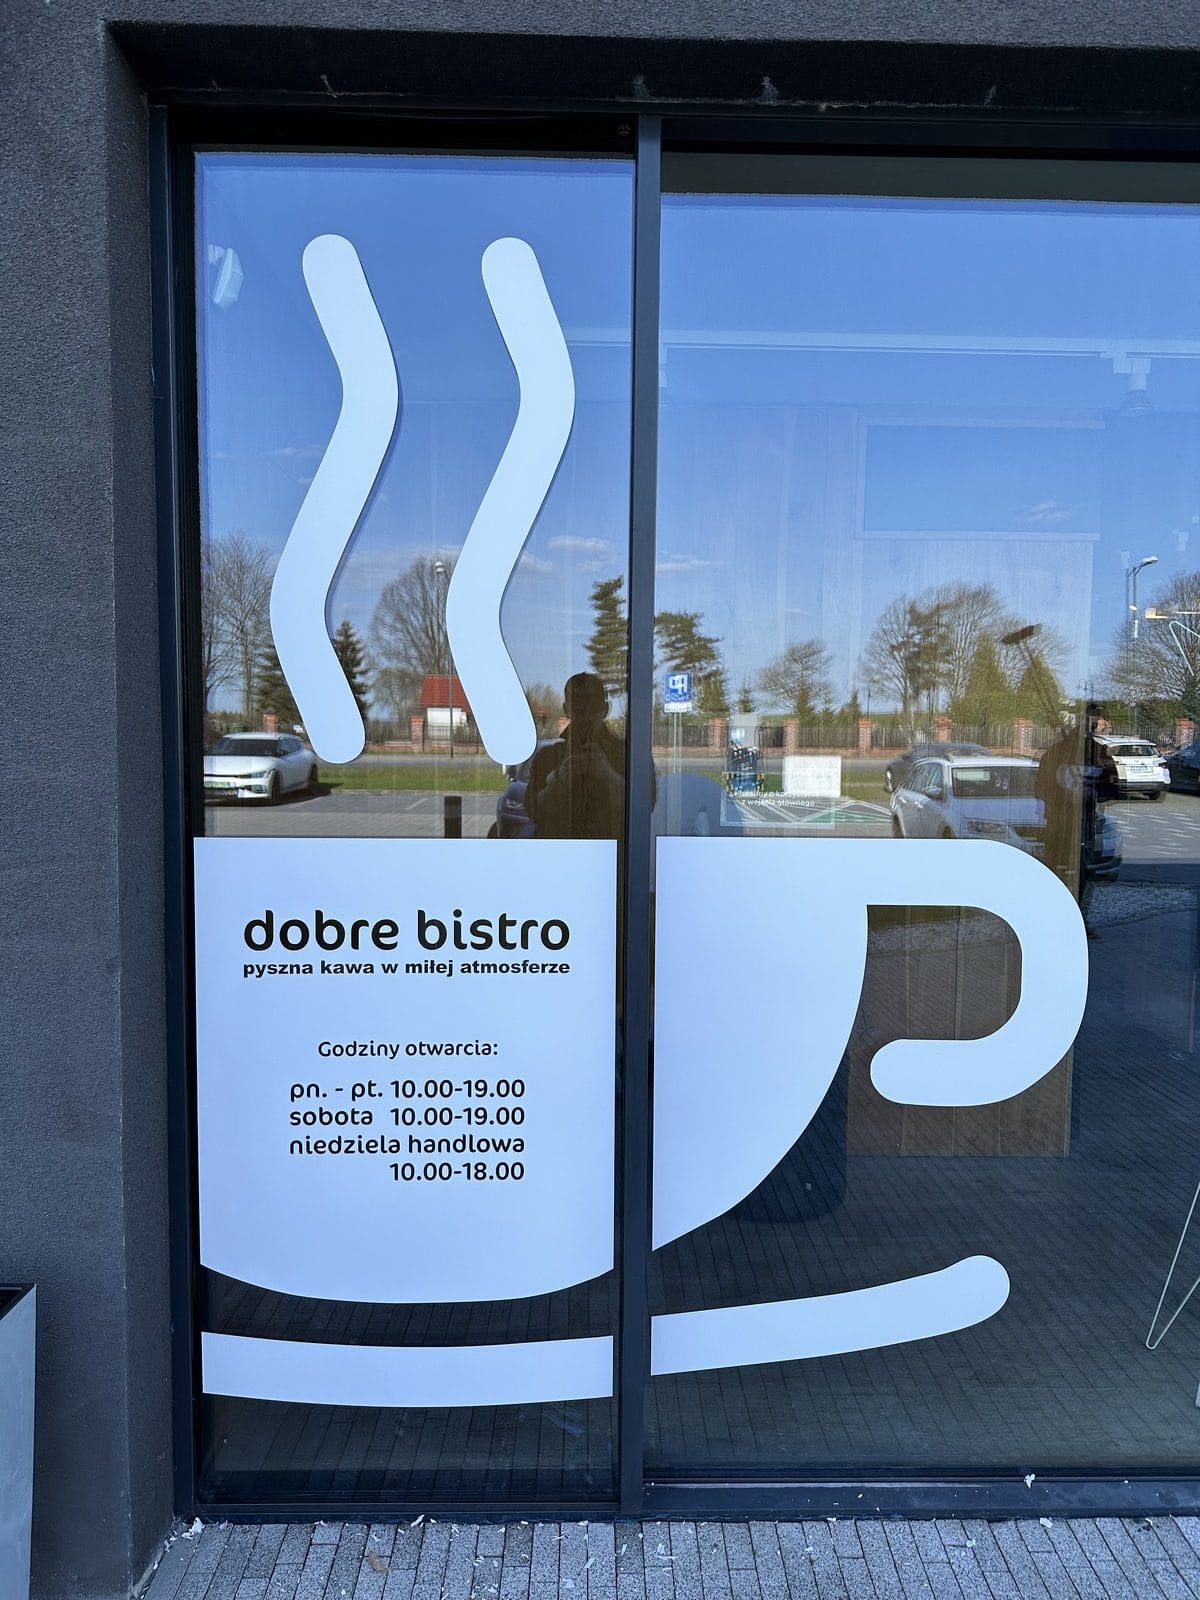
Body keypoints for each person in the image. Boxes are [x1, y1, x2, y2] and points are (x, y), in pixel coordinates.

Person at [525, 672, 633, 840]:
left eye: (591, 709)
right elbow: (533, 813)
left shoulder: (627, 754)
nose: (585, 718)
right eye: (578, 709)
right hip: (565, 850)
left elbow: (643, 808)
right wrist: (559, 779)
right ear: (567, 710)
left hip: (612, 852)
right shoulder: (548, 756)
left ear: (604, 710)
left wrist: (608, 775)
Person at [1035, 703, 1113, 930]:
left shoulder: (1097, 753)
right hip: (1062, 821)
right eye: (1093, 720)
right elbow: (1041, 787)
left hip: (1079, 823)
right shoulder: (1060, 752)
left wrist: (1092, 794)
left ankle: (1072, 920)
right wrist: (1067, 799)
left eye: (1096, 720)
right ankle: (1059, 919)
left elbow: (1110, 786)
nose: (1095, 725)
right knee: (1062, 871)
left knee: (1079, 873)